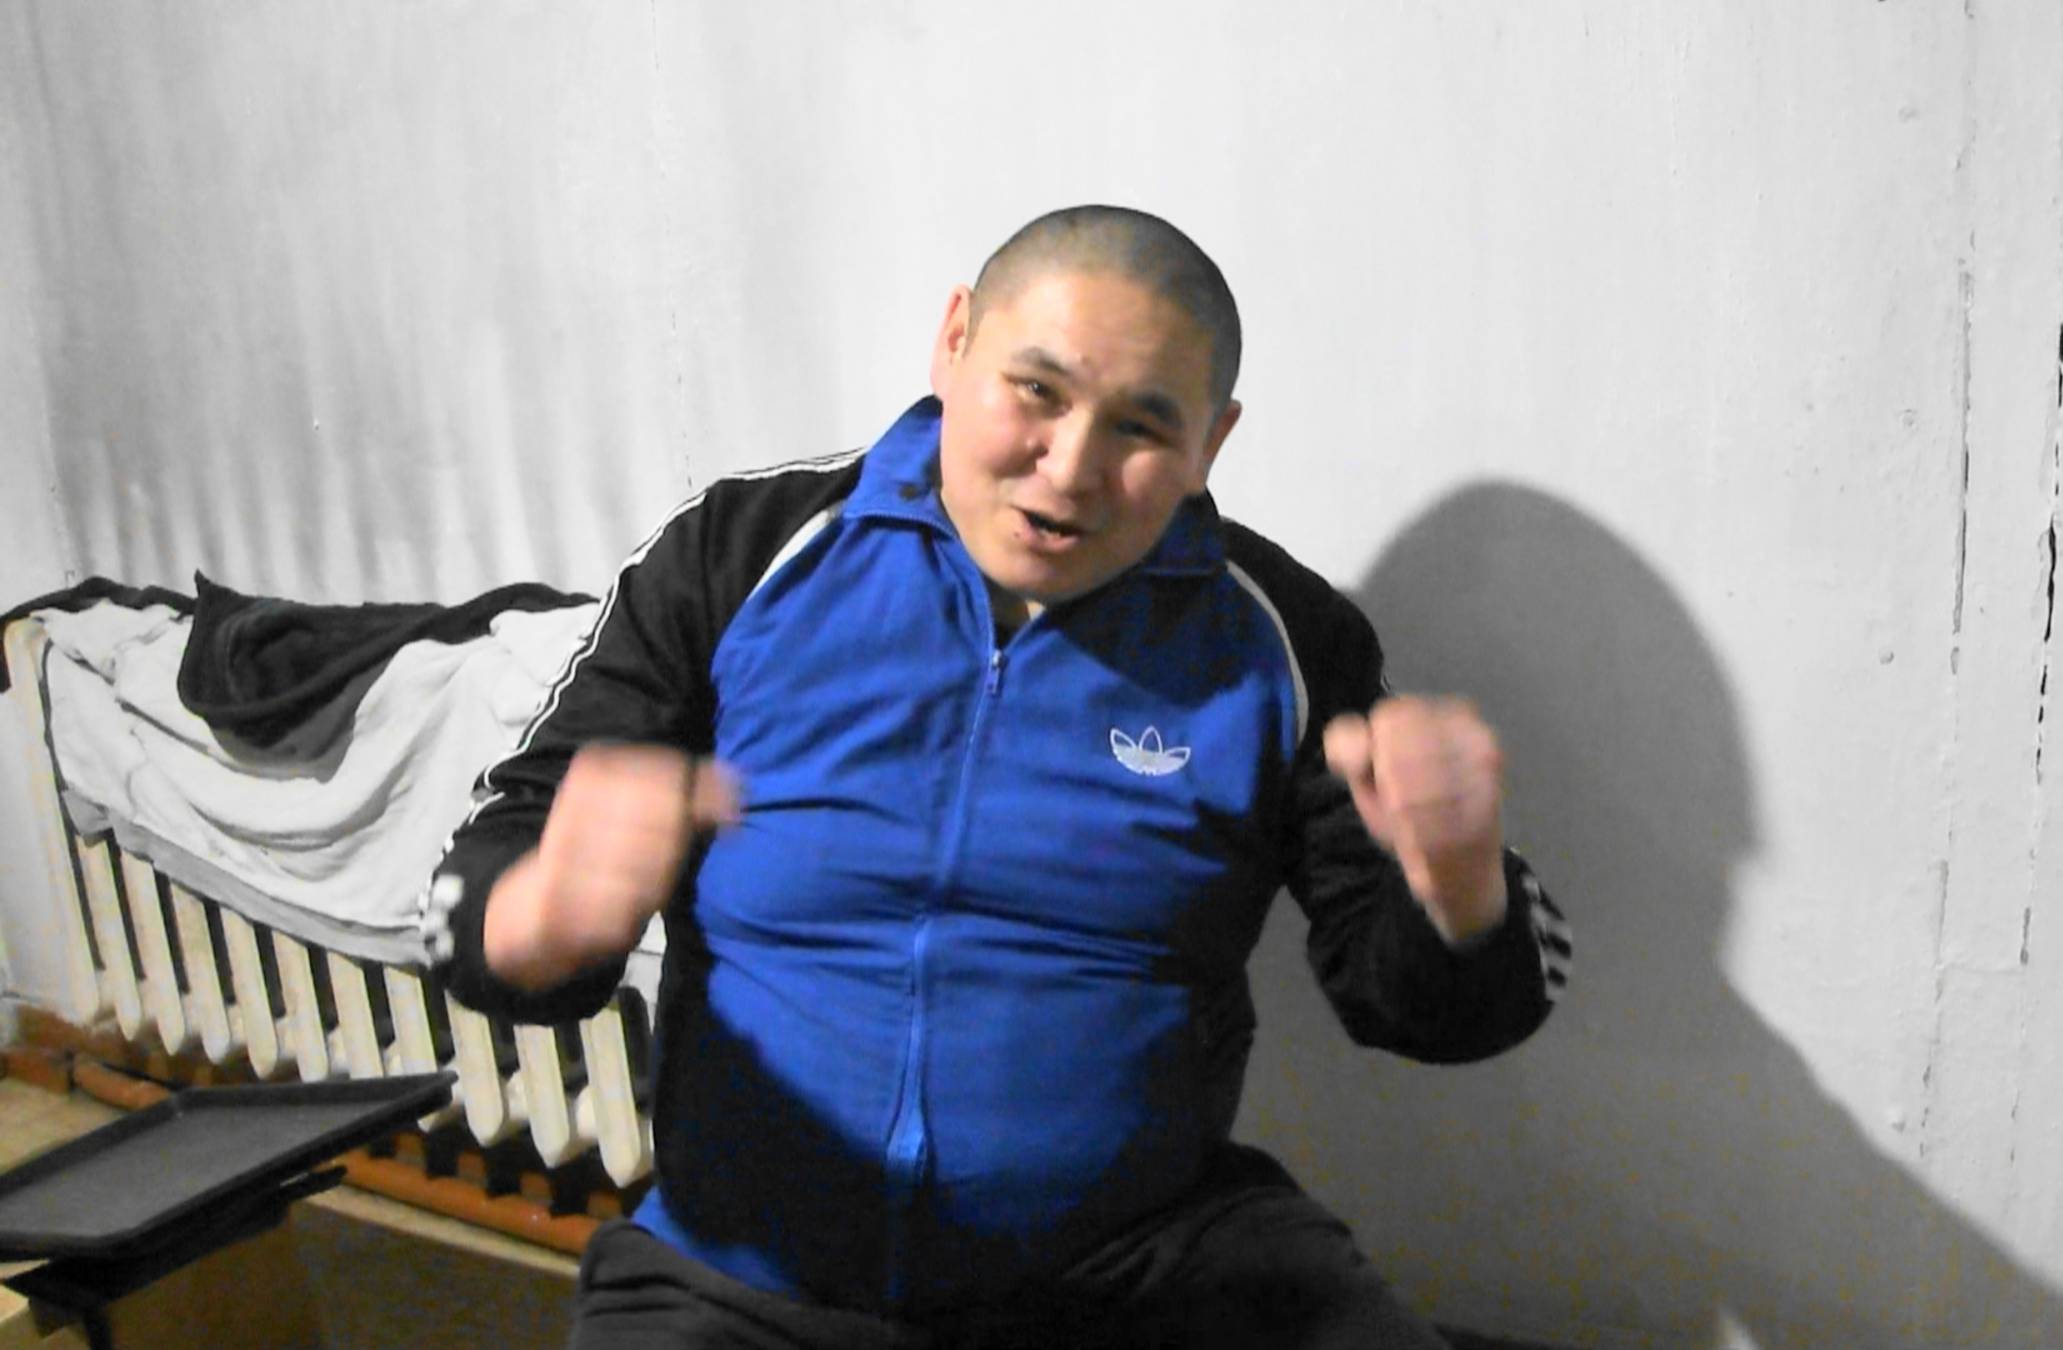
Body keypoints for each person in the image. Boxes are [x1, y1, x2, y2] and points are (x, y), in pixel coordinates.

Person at [425, 204, 1572, 1348]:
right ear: (955, 341)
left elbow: (1436, 1015)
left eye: (1141, 426)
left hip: (1145, 1274)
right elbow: (471, 884)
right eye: (1037, 391)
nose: (1070, 470)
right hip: (742, 1282)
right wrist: (544, 915)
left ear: (1210, 443)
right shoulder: (743, 551)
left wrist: (1460, 892)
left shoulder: (1281, 638)